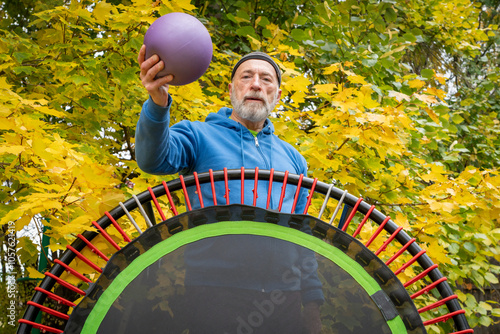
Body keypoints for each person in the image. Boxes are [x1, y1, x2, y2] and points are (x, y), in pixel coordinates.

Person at [135, 45, 323, 333]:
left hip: (283, 298)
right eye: (246, 76)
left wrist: (312, 300)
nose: (256, 84)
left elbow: (303, 233)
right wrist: (158, 102)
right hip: (213, 291)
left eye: (266, 79)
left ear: (278, 95)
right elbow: (153, 159)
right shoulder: (199, 136)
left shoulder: (293, 158)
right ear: (231, 88)